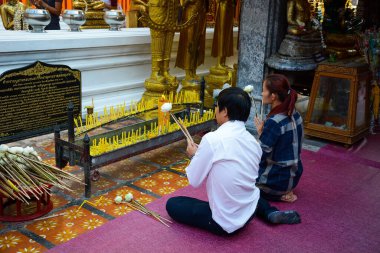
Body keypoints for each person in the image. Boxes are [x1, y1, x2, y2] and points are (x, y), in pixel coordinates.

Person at [166, 87, 300, 236]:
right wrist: (202, 154)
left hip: (224, 222)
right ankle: (269, 212)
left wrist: (194, 156)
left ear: (225, 111)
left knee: (173, 204)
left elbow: (195, 180)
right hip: (249, 212)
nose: (215, 110)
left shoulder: (212, 139)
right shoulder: (254, 142)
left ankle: (233, 218)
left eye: (217, 106)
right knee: (251, 191)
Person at [254, 74, 303, 203]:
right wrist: (263, 133)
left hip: (275, 181)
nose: (262, 93)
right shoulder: (296, 114)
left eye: (264, 90)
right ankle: (284, 191)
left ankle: (276, 195)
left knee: (237, 176)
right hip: (293, 176)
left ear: (273, 96)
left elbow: (260, 154)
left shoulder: (274, 122)